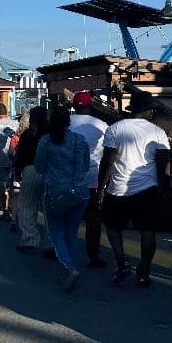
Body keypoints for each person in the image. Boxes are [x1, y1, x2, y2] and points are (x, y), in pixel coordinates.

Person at [96, 91, 170, 287]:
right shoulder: (158, 132)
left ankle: (122, 263)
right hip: (147, 189)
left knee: (112, 228)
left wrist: (101, 188)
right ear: (146, 111)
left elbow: (107, 161)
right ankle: (144, 270)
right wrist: (163, 191)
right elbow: (163, 166)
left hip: (118, 188)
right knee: (147, 233)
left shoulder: (115, 129)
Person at [35, 106, 91, 292]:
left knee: (56, 233)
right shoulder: (80, 140)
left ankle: (70, 268)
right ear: (69, 121)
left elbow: (39, 167)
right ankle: (71, 266)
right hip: (80, 192)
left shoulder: (46, 141)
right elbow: (84, 166)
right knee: (72, 232)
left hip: (56, 192)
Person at [69, 92, 109, 268]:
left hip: (70, 177)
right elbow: (108, 154)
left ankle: (65, 252)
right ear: (90, 106)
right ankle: (93, 256)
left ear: (74, 106)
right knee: (93, 219)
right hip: (93, 178)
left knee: (69, 216)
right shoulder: (102, 125)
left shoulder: (66, 125)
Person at [13, 107, 49, 254]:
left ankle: (30, 240)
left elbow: (19, 155)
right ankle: (52, 243)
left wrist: (17, 173)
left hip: (31, 169)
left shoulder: (28, 134)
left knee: (27, 205)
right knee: (49, 208)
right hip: (50, 171)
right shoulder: (52, 133)